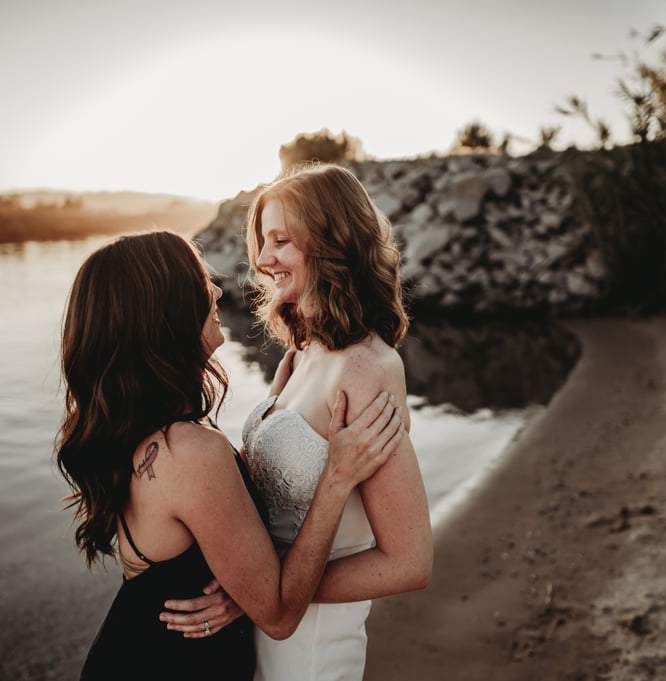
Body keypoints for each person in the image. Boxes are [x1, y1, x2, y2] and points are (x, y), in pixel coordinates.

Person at [55, 230, 405, 680]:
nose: (218, 290)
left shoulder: (142, 436)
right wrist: (336, 478)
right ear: (166, 312)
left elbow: (221, 526)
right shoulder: (189, 452)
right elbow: (278, 615)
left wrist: (280, 406)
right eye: (202, 283)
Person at [163, 163, 434, 680]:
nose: (263, 261)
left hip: (311, 649)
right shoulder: (301, 353)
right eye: (262, 242)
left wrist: (260, 599)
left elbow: (410, 561)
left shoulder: (368, 369)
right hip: (268, 629)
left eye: (281, 241)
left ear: (333, 243)